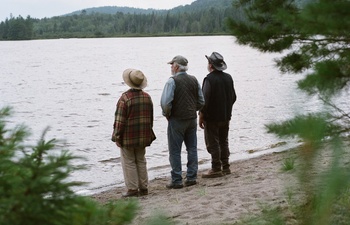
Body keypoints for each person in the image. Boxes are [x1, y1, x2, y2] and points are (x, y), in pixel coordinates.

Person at [161, 55, 205, 189]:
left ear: (176, 66)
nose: (170, 67)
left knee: (175, 151)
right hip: (191, 119)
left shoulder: (171, 81)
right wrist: (193, 109)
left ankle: (177, 180)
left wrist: (167, 114)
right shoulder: (194, 79)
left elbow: (165, 103)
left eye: (171, 64)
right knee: (192, 148)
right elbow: (201, 101)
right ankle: (191, 177)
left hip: (177, 120)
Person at [112, 68, 156, 197]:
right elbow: (150, 119)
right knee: (141, 160)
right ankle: (144, 187)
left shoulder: (125, 98)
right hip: (143, 135)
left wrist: (116, 137)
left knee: (129, 161)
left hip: (128, 137)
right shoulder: (147, 97)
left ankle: (132, 188)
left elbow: (119, 121)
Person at [199, 52, 237, 178]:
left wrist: (201, 115)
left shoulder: (209, 79)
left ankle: (216, 168)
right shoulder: (229, 77)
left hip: (212, 117)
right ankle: (225, 166)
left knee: (213, 142)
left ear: (211, 65)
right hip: (226, 116)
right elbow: (233, 97)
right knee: (223, 141)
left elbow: (204, 100)